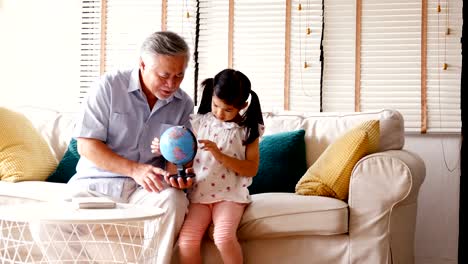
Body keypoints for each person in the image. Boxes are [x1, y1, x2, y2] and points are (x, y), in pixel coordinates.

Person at [33, 31, 195, 264]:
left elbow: (174, 161)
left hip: (146, 191)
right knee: (44, 223)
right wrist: (134, 169)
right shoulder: (107, 87)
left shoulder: (183, 104)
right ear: (142, 64)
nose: (171, 84)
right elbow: (87, 146)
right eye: (164, 75)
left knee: (175, 200)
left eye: (179, 76)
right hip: (95, 185)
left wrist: (177, 178)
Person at [152, 69, 264, 264]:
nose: (220, 113)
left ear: (243, 106)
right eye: (215, 105)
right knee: (187, 242)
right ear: (211, 95)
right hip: (200, 195)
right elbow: (186, 156)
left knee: (223, 238)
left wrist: (220, 155)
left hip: (230, 196)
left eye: (228, 109)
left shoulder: (247, 131)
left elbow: (251, 169)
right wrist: (166, 150)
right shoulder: (199, 123)